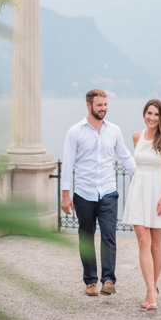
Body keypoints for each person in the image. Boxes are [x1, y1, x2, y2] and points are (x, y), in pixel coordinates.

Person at [61, 89, 136, 297]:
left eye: (105, 105)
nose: (103, 109)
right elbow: (67, 164)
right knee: (86, 237)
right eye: (99, 105)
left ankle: (108, 280)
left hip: (108, 192)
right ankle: (90, 281)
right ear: (89, 105)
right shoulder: (75, 132)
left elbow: (125, 157)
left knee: (109, 235)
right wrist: (65, 195)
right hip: (84, 193)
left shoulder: (114, 131)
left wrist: (140, 177)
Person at [122, 99, 161, 312]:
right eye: (149, 113)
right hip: (139, 191)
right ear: (144, 114)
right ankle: (150, 290)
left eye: (156, 114)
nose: (152, 117)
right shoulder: (137, 137)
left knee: (155, 245)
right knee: (143, 241)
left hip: (159, 192)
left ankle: (153, 288)